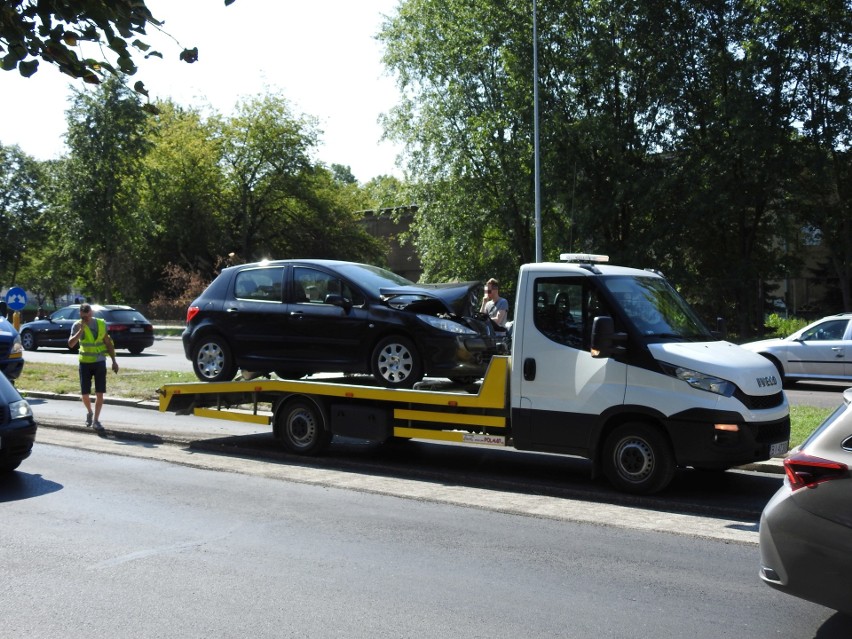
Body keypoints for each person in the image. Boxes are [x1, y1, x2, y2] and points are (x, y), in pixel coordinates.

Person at [68, 303, 119, 430]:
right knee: (85, 394)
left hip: (100, 362)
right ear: (80, 314)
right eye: (85, 315)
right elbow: (71, 344)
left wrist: (114, 360)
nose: (87, 317)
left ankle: (96, 420)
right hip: (85, 363)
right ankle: (89, 412)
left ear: (92, 313)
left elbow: (108, 342)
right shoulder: (77, 325)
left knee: (99, 393)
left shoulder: (101, 324)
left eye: (89, 314)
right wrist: (81, 330)